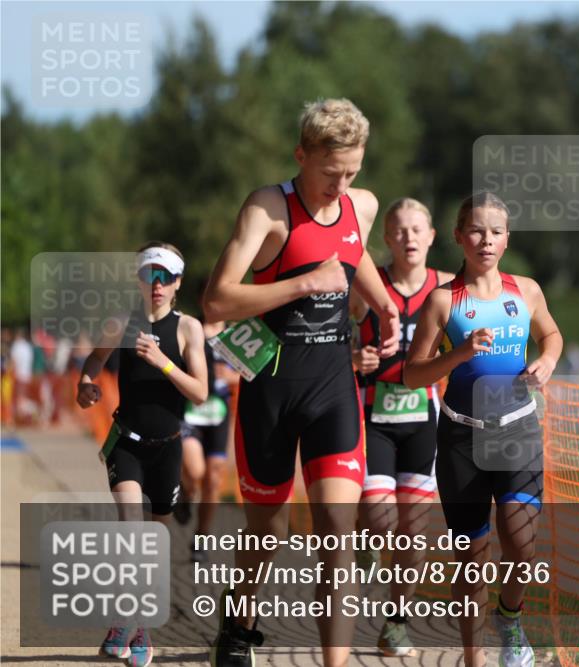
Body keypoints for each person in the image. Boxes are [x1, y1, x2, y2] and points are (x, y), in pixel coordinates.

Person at [201, 98, 401, 667]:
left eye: (353, 172)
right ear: (301, 155)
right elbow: (216, 299)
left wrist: (384, 305)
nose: (342, 185)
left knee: (337, 530)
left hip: (333, 387)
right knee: (268, 533)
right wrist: (301, 284)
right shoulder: (268, 209)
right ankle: (238, 624)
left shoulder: (360, 206)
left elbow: (349, 253)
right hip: (269, 387)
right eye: (330, 171)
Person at [404, 192, 563, 667]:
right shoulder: (441, 300)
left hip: (517, 430)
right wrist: (458, 355)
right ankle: (474, 657)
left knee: (521, 542)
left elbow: (551, 335)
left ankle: (510, 619)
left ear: (507, 239)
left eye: (495, 231)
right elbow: (414, 374)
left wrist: (549, 360)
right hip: (461, 436)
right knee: (471, 558)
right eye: (476, 230)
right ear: (458, 237)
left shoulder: (527, 290)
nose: (486, 239)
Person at [76, 241, 209, 667]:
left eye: (165, 276)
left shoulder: (188, 329)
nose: (157, 284)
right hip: (127, 443)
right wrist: (85, 384)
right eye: (150, 275)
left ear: (177, 283)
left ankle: (131, 624)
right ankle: (135, 628)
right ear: (138, 280)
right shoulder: (121, 323)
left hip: (167, 447)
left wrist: (163, 362)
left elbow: (201, 392)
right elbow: (94, 360)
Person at [350, 197, 454, 656]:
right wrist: (353, 358)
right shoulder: (367, 286)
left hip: (423, 417)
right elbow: (331, 335)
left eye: (418, 229)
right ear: (387, 238)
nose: (409, 237)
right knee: (380, 521)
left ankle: (396, 622)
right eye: (400, 230)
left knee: (414, 529)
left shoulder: (450, 287)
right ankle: (366, 538)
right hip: (373, 414)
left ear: (432, 237)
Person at [175, 291, 240, 562]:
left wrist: (233, 376)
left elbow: (254, 373)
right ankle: (186, 495)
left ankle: (201, 538)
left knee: (213, 480)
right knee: (194, 472)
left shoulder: (236, 336)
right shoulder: (191, 329)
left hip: (218, 414)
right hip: (190, 412)